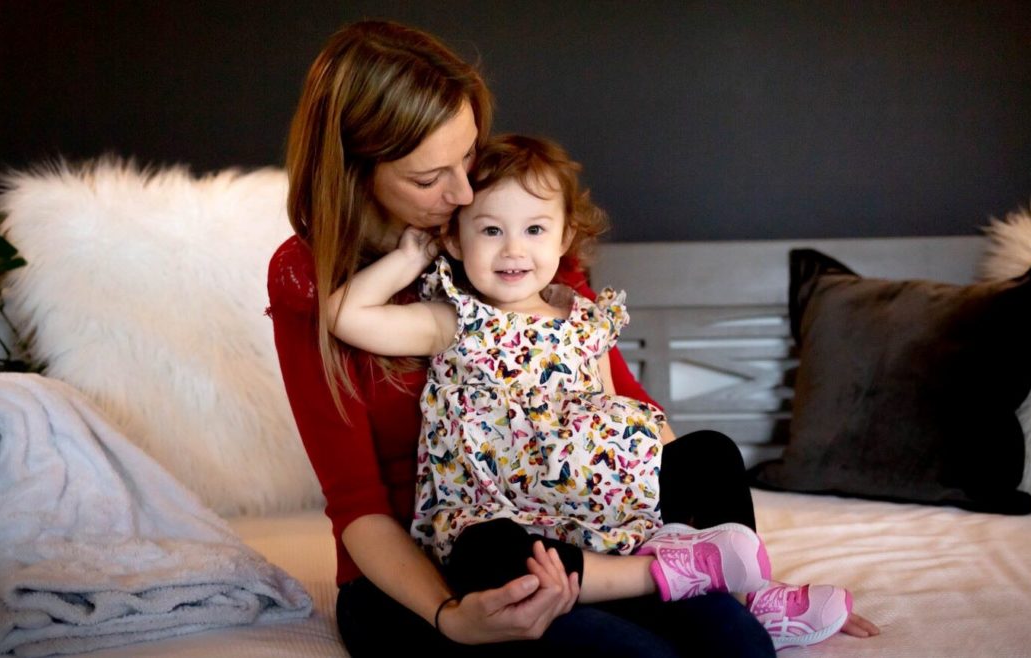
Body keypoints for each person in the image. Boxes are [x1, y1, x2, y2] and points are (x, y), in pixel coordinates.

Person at [266, 19, 877, 656]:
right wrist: (452, 617)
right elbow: (356, 501)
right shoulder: (314, 277)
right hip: (437, 569)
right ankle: (650, 579)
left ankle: (693, 577)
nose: (465, 192)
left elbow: (626, 410)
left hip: (583, 529)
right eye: (428, 179)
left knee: (737, 644)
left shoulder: (517, 225)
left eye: (468, 155)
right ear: (355, 171)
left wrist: (745, 571)